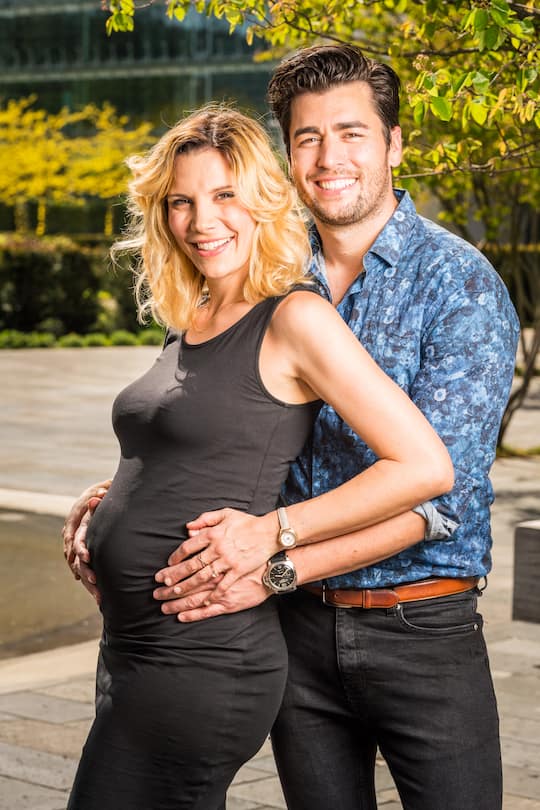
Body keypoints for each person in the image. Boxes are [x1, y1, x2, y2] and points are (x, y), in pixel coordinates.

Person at [63, 45, 519, 810]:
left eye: (351, 133)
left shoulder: (459, 285)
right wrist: (127, 496)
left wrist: (276, 553)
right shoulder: (254, 262)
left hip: (417, 627)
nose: (329, 157)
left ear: (394, 145)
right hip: (293, 632)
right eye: (308, 137)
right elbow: (227, 424)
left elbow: (439, 495)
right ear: (286, 157)